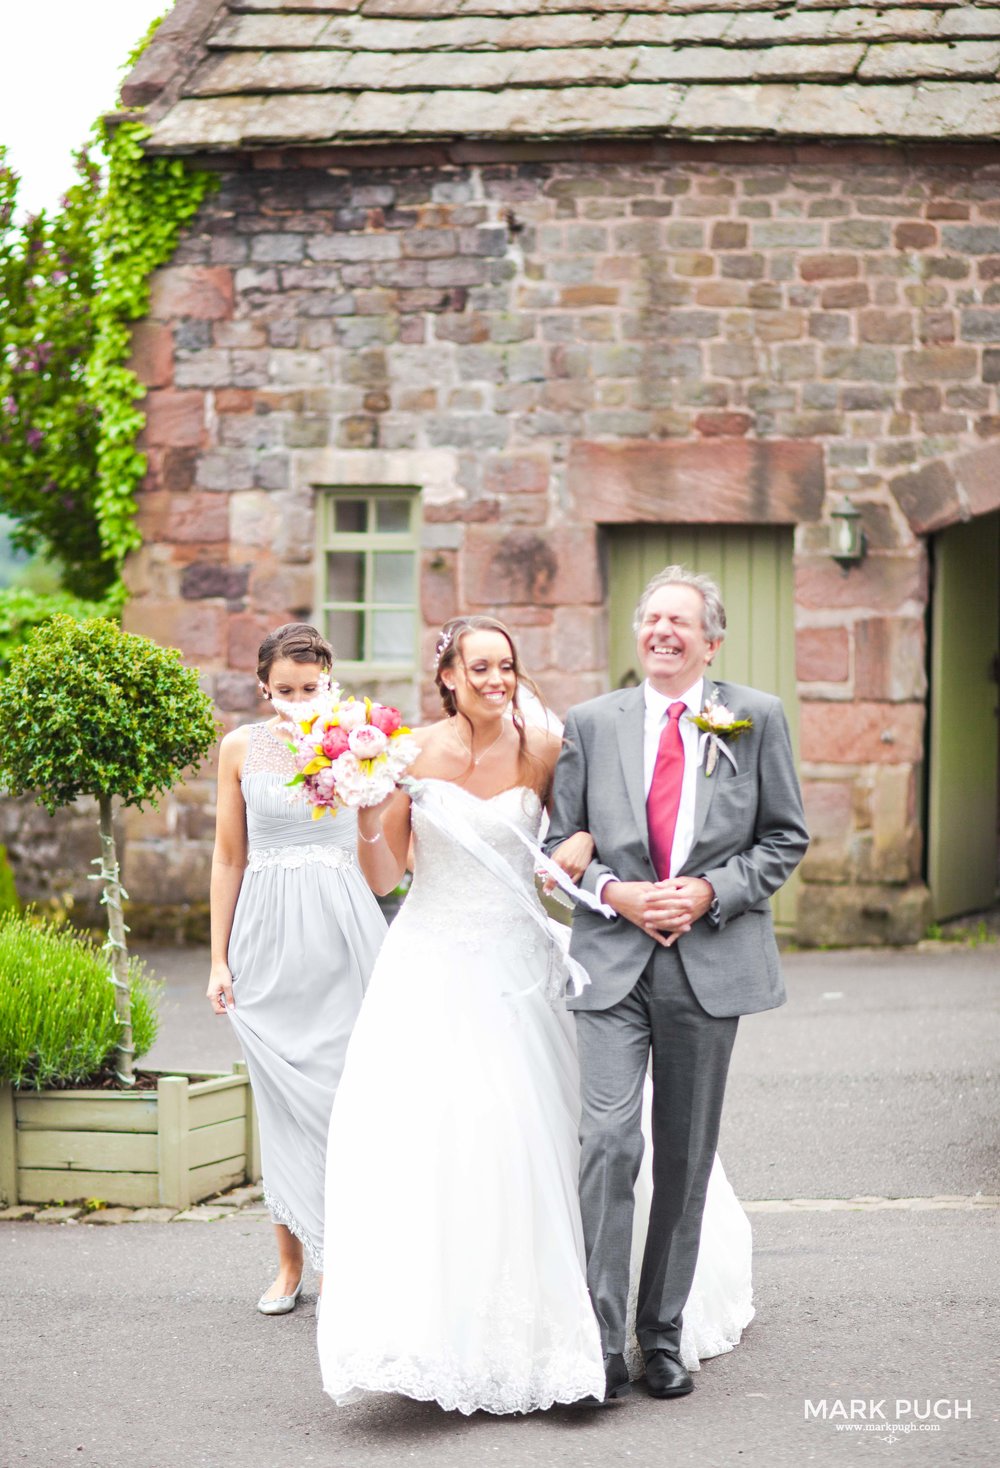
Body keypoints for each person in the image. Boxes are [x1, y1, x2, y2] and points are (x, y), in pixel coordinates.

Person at [316, 614, 754, 1415]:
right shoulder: (405, 754)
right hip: (431, 964)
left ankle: (595, 1322)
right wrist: (367, 810)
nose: (496, 681)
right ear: (447, 676)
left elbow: (579, 843)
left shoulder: (545, 750)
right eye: (479, 668)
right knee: (439, 1143)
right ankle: (441, 1333)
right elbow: (383, 877)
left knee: (553, 1136)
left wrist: (581, 840)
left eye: (506, 667)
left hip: (522, 961)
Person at [545, 566, 809, 1403]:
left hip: (709, 961)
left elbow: (783, 838)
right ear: (638, 633)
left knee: (687, 1156)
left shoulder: (755, 718)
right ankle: (596, 1344)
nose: (663, 631)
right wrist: (617, 894)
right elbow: (560, 843)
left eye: (680, 622)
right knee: (609, 1143)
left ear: (711, 640)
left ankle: (659, 1335)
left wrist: (708, 892)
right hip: (612, 960)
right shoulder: (590, 723)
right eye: (652, 618)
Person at [206, 623, 386, 1315]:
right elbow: (228, 857)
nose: (298, 701)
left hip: (343, 928)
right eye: (284, 690)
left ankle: (345, 1254)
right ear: (263, 688)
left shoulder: (359, 740)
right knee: (278, 1096)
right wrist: (219, 958)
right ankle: (289, 1264)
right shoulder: (241, 749)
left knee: (344, 1099)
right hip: (266, 934)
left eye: (310, 688)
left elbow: (379, 871)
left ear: (330, 679)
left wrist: (369, 791)